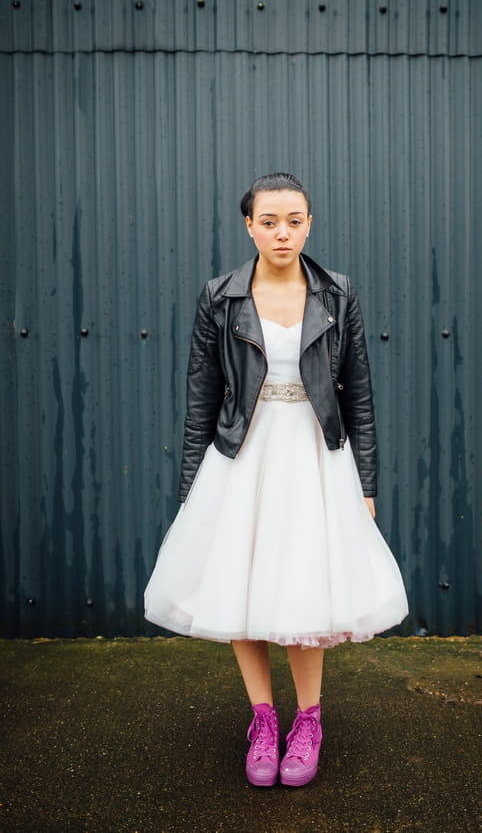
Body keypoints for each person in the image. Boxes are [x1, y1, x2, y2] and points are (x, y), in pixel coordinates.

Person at [144, 172, 408, 788]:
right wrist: (192, 491)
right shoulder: (221, 295)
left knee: (304, 587)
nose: (281, 232)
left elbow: (359, 395)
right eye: (268, 221)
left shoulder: (338, 294)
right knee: (241, 585)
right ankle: (263, 718)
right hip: (242, 455)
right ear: (249, 226)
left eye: (293, 220)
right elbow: (201, 396)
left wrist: (366, 482)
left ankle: (308, 722)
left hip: (316, 456)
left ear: (309, 223)